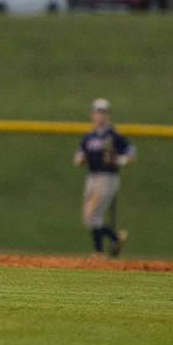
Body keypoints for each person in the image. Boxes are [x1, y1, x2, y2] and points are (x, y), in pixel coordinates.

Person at [73, 98, 134, 257]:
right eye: (97, 112)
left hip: (108, 177)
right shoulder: (89, 137)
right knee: (89, 216)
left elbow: (131, 153)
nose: (99, 115)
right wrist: (80, 159)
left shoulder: (114, 135)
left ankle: (99, 250)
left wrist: (119, 160)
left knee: (92, 212)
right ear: (92, 115)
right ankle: (114, 239)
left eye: (103, 112)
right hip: (92, 176)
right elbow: (80, 155)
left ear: (108, 115)